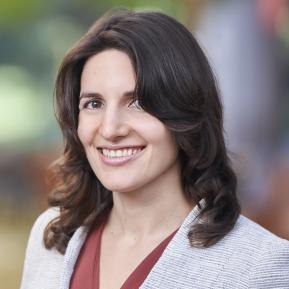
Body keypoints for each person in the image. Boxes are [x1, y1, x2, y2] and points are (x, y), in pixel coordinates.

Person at [20, 9, 289, 289]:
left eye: (137, 102)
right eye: (94, 104)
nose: (110, 129)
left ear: (186, 114)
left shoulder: (261, 266)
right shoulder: (50, 236)